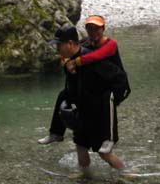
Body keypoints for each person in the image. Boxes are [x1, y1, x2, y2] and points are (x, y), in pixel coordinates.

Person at [38, 15, 128, 153]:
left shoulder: (110, 44)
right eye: (90, 28)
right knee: (63, 94)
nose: (93, 32)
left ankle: (108, 139)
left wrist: (76, 62)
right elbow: (72, 47)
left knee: (107, 99)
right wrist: (65, 59)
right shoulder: (87, 42)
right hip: (100, 82)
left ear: (103, 29)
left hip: (116, 84)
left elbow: (95, 56)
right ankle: (56, 132)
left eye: (97, 29)